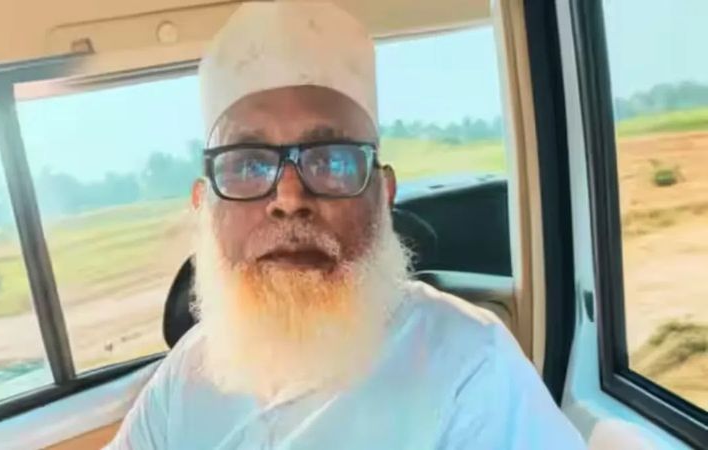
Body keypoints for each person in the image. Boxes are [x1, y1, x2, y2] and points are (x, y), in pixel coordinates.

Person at [107, 2, 586, 449]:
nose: (289, 199)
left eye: (331, 161)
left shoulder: (471, 365)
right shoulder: (185, 374)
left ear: (384, 193)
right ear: (204, 206)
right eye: (248, 165)